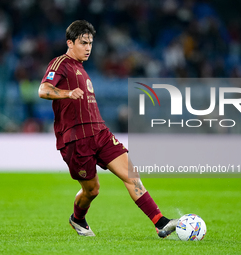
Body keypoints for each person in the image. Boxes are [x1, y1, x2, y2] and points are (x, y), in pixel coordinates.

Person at [38, 20, 177, 238]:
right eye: (83, 43)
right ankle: (77, 219)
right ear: (70, 42)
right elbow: (43, 90)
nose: (88, 48)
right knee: (92, 190)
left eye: (90, 43)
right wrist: (66, 93)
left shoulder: (81, 69)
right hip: (76, 139)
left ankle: (160, 222)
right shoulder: (60, 64)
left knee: (132, 175)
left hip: (100, 133)